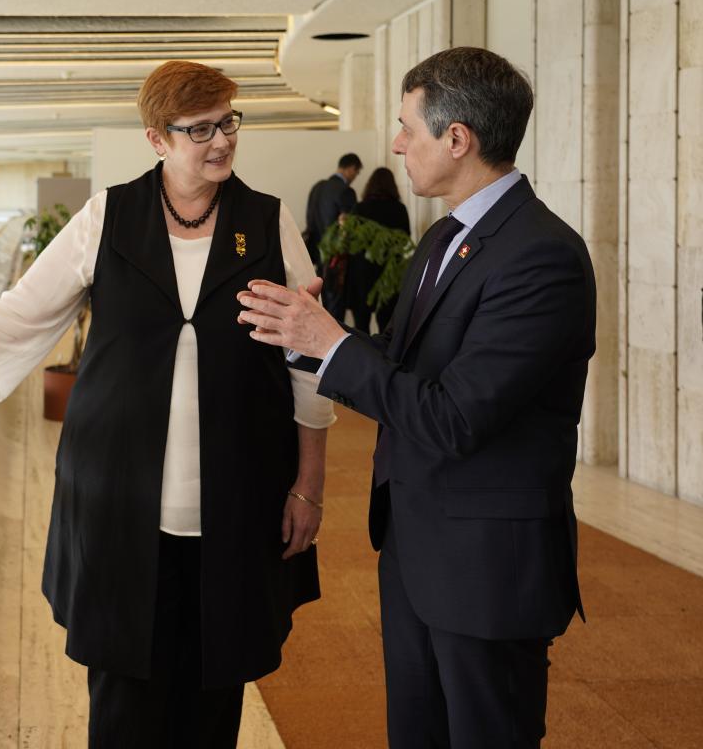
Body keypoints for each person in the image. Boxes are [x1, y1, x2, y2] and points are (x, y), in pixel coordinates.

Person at [0, 60, 335, 748]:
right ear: (157, 140)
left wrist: (309, 484)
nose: (221, 140)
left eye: (228, 122)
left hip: (236, 500)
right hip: (117, 500)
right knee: (121, 702)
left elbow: (307, 364)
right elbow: (12, 318)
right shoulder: (107, 217)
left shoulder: (266, 223)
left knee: (213, 695)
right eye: (199, 128)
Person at [238, 46, 594, 749]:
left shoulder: (541, 255)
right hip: (416, 549)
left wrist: (333, 346)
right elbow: (407, 372)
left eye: (408, 127)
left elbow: (455, 415)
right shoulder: (441, 238)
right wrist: (310, 336)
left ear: (456, 138)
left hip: (488, 571)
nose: (397, 145)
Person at [347, 166, 411, 333]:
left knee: (361, 325)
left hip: (362, 272)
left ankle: (360, 358)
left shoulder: (360, 208)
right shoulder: (399, 209)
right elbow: (405, 239)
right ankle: (385, 358)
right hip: (389, 274)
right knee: (387, 327)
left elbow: (351, 241)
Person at [304, 152, 362, 273]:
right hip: (335, 258)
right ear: (351, 169)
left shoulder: (317, 187)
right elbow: (350, 227)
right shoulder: (347, 191)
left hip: (314, 252)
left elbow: (310, 219)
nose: (355, 177)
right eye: (356, 173)